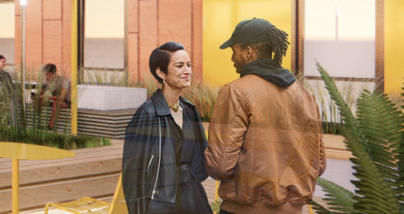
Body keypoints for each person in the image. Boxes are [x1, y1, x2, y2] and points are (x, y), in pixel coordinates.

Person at [205, 18, 324, 214]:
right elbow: (318, 164)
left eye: (234, 52)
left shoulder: (235, 92)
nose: (232, 58)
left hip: (244, 209)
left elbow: (220, 165)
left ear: (248, 52)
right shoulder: (305, 95)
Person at [123, 42, 212, 214]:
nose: (187, 71)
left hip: (191, 197)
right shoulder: (147, 113)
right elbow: (132, 175)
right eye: (179, 66)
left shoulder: (190, 110)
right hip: (160, 201)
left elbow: (201, 160)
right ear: (161, 72)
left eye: (189, 65)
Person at [34, 63, 71, 131]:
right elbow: (41, 92)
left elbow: (62, 97)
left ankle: (50, 126)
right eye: (45, 75)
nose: (46, 77)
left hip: (65, 102)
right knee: (35, 101)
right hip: (52, 100)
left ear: (53, 73)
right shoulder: (46, 81)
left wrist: (45, 97)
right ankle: (39, 123)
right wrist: (37, 96)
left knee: (56, 103)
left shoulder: (64, 81)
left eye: (48, 75)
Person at [0, 55, 18, 125]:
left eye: (5, 62)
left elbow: (10, 84)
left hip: (6, 96)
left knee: (7, 112)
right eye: (2, 62)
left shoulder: (6, 74)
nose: (4, 63)